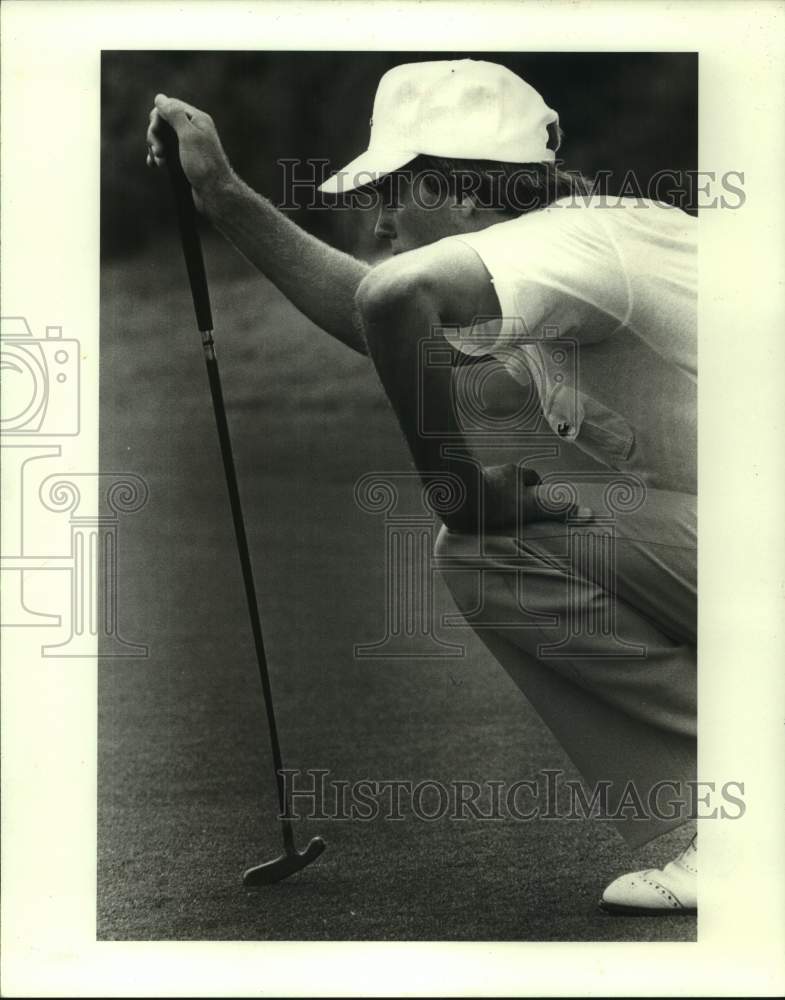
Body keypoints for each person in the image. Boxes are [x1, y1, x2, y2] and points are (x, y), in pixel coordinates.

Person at [146, 58, 698, 915]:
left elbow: (392, 296)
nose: (378, 225)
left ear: (463, 195)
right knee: (494, 541)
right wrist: (223, 196)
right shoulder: (582, 244)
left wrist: (458, 491)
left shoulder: (572, 246)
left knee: (485, 544)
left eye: (390, 196)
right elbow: (377, 311)